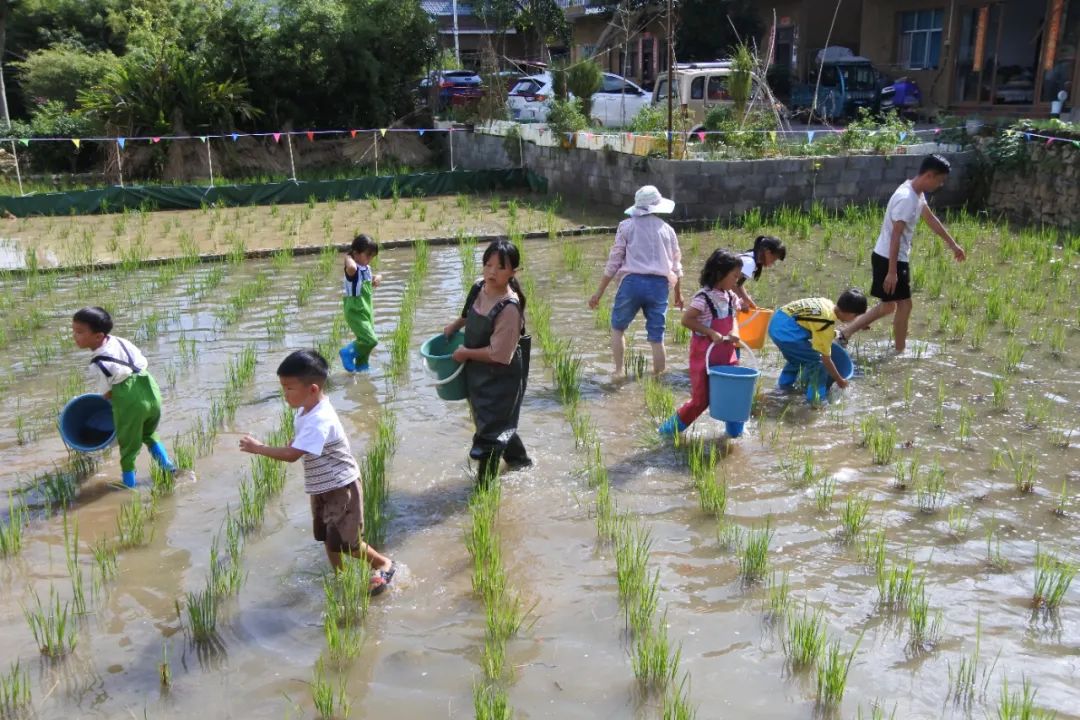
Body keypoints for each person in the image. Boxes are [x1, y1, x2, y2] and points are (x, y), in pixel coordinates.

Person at [239, 350, 396, 594]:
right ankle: (341, 578)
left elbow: (292, 456)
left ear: (312, 389)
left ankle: (384, 563)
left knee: (348, 543)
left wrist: (259, 448)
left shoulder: (319, 419)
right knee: (328, 539)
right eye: (283, 387)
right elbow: (300, 442)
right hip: (322, 487)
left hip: (340, 487)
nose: (284, 394)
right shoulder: (306, 410)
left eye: (289, 388)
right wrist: (295, 441)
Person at [839, 155, 966, 352]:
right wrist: (892, 271)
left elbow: (930, 218)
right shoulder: (907, 198)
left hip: (889, 257)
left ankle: (845, 333)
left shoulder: (916, 192)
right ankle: (900, 351)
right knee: (904, 306)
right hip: (891, 259)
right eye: (940, 181)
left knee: (889, 306)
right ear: (929, 175)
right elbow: (895, 236)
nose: (940, 185)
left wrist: (953, 244)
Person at [443, 240, 531, 483]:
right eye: (488, 265)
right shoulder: (478, 287)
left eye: (501, 267)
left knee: (491, 433)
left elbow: (500, 354)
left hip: (502, 378)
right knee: (493, 422)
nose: (492, 272)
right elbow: (467, 314)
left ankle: (483, 492)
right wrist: (454, 326)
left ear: (513, 272)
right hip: (477, 373)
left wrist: (465, 354)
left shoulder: (509, 308)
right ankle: (521, 462)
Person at [71, 306, 175, 489]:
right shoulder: (119, 341)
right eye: (73, 331)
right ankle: (168, 467)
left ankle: (129, 487)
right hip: (150, 387)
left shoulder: (98, 362)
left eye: (79, 332)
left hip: (130, 398)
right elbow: (140, 362)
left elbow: (106, 394)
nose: (74, 336)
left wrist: (112, 403)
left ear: (98, 336)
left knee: (128, 447)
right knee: (148, 433)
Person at [589, 185, 684, 376]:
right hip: (659, 286)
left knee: (617, 328)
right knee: (657, 337)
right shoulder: (668, 230)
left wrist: (598, 293)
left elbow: (614, 261)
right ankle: (659, 377)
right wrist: (678, 294)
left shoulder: (626, 226)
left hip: (632, 283)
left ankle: (618, 371)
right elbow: (676, 265)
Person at [660, 249, 746, 438]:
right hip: (704, 358)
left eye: (738, 277)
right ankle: (667, 433)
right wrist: (710, 332)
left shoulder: (731, 296)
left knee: (734, 395)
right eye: (734, 276)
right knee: (701, 401)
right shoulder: (703, 298)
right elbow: (686, 320)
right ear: (719, 274)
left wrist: (735, 332)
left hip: (727, 355)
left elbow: (733, 318)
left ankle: (735, 437)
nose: (736, 281)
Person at [768, 290, 868, 402]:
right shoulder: (826, 323)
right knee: (818, 364)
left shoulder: (827, 304)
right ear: (850, 314)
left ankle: (783, 388)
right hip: (787, 333)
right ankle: (816, 400)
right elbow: (825, 359)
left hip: (778, 322)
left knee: (797, 358)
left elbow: (813, 323)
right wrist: (840, 380)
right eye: (855, 317)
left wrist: (835, 334)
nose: (853, 320)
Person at [339, 234, 382, 373]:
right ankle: (347, 352)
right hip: (355, 310)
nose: (370, 259)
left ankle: (362, 366)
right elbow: (352, 267)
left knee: (365, 341)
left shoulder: (365, 267)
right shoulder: (352, 269)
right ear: (356, 253)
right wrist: (348, 256)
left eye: (372, 256)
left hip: (366, 308)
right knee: (370, 340)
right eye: (367, 255)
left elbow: (369, 279)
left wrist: (377, 278)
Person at [734, 235, 787, 309]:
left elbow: (738, 284)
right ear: (768, 253)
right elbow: (733, 285)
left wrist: (748, 301)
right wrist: (741, 301)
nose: (772, 264)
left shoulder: (750, 257)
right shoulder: (750, 263)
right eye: (773, 260)